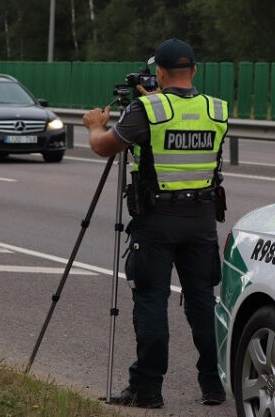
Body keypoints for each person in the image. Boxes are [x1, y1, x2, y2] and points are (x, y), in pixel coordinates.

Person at [82, 38, 228, 409]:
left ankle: (147, 389)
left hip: (157, 220)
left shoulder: (146, 110)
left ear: (159, 72)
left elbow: (104, 146)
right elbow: (182, 120)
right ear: (194, 70)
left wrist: (95, 126)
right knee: (202, 304)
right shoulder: (216, 109)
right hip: (201, 220)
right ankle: (213, 385)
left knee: (151, 302)